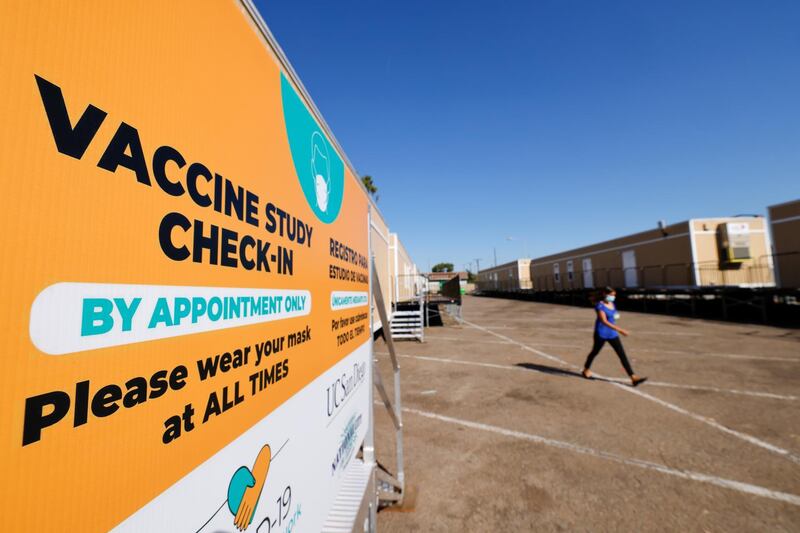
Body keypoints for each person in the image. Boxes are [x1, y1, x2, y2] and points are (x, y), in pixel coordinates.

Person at [581, 287, 647, 387]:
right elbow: (604, 321)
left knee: (622, 355)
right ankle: (586, 369)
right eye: (611, 295)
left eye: (614, 295)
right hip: (601, 333)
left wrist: (616, 316)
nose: (613, 297)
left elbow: (613, 314)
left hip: (612, 334)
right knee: (595, 352)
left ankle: (633, 377)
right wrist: (620, 330)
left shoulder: (612, 304)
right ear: (604, 294)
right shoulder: (600, 305)